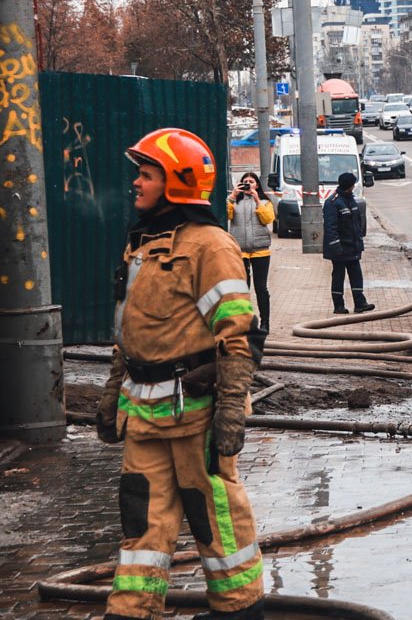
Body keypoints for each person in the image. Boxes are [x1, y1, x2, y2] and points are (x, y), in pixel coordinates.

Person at [97, 128, 264, 620]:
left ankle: (239, 608)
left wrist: (232, 408)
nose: (137, 184)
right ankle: (131, 610)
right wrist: (112, 393)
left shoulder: (211, 247)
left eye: (146, 175)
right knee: (141, 524)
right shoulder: (142, 246)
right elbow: (127, 333)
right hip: (143, 415)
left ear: (175, 183)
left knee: (214, 517)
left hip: (196, 416)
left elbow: (238, 336)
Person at [227, 172, 274, 334]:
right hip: (240, 251)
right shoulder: (234, 201)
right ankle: (243, 322)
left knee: (261, 288)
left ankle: (265, 322)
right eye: (245, 182)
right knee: (242, 289)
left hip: (260, 251)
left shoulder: (265, 202)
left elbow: (268, 219)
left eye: (251, 182)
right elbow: (226, 215)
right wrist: (233, 196)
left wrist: (257, 200)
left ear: (257, 185)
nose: (248, 184)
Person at [323, 172, 375, 314]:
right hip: (340, 248)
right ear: (350, 185)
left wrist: (359, 242)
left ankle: (360, 303)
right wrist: (336, 246)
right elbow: (330, 227)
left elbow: (356, 224)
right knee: (339, 276)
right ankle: (338, 305)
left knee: (356, 274)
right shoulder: (333, 203)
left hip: (352, 247)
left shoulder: (351, 200)